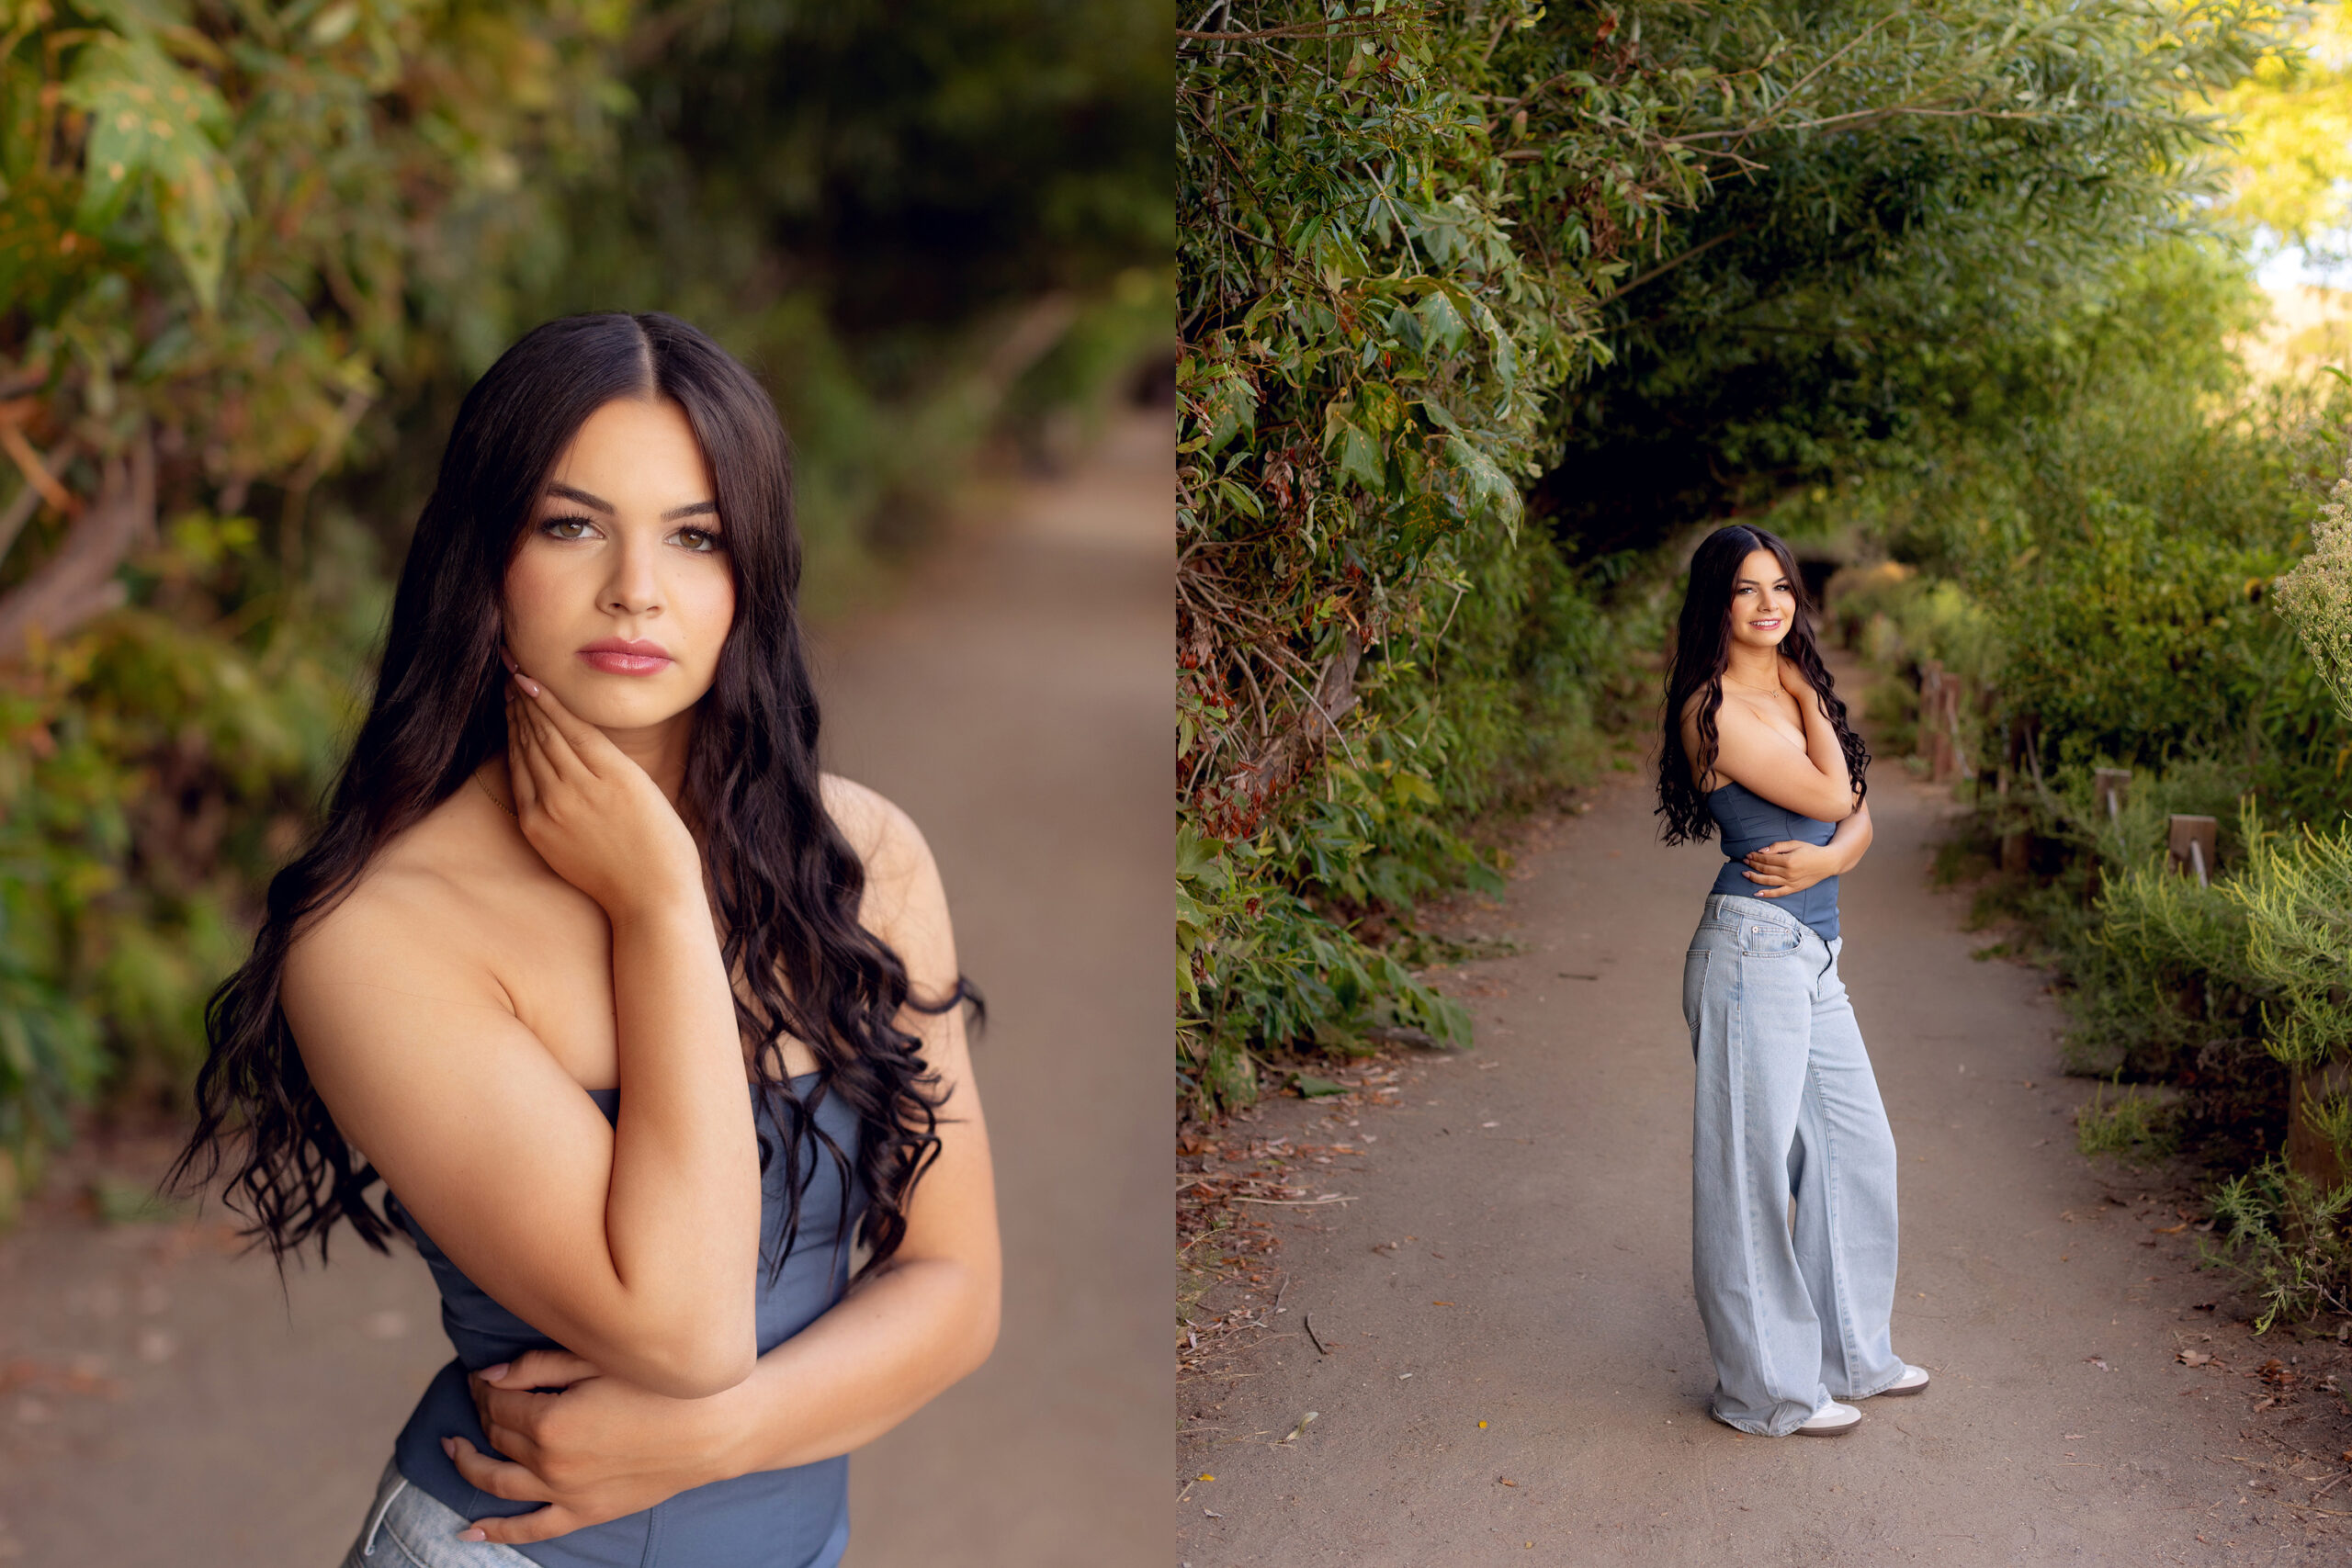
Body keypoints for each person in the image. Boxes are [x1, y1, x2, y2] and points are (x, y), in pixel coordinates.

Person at [168, 312, 1001, 1564]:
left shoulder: (862, 857)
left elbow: (956, 1292)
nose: (636, 588)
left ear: (749, 575)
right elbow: (682, 1329)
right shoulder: (381, 936)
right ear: (485, 559)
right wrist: (659, 900)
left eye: (696, 534)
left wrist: (719, 1437)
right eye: (572, 524)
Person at [1654, 523, 1926, 1438]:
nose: (1769, 604)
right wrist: (1842, 832)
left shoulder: (1788, 689)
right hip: (1751, 952)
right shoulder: (1713, 709)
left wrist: (1835, 855)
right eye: (1746, 589)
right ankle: (1765, 1388)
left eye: (1780, 587)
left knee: (1856, 1150)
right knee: (1749, 1176)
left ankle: (1851, 1353)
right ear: (1716, 605)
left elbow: (1853, 825)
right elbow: (1835, 800)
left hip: (1812, 952)